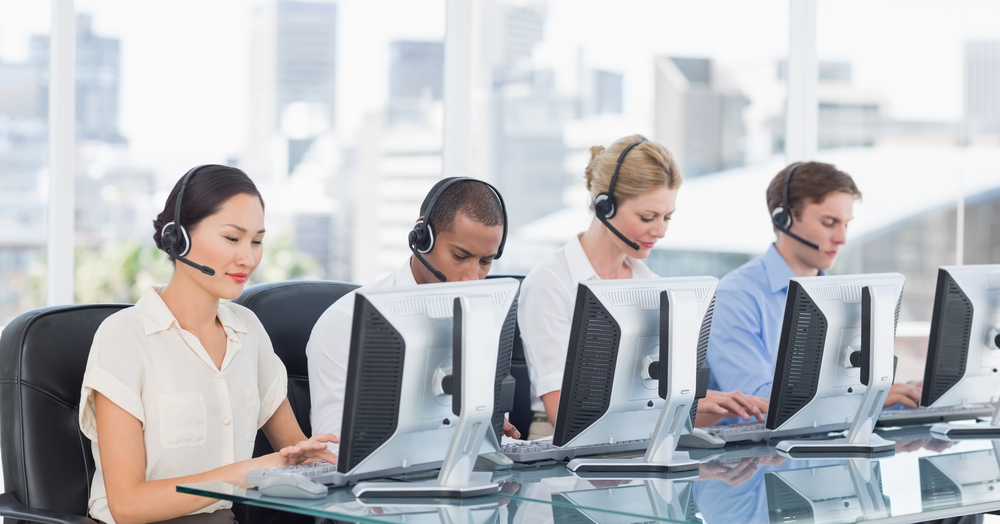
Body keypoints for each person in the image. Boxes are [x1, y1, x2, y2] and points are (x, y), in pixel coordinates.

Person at [79, 165, 337, 524]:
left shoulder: (248, 330)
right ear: (178, 239)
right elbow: (127, 504)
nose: (248, 258)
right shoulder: (123, 338)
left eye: (257, 241)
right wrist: (245, 473)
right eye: (233, 238)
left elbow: (294, 453)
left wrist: (334, 461)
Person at [518, 134, 768, 441]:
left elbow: (660, 404)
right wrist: (685, 406)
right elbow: (565, 413)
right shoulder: (552, 281)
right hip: (558, 446)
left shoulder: (650, 284)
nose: (660, 231)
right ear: (603, 204)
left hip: (638, 444)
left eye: (667, 217)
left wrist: (717, 407)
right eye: (647, 217)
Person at [706, 161, 921, 424]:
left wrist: (907, 396)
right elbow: (754, 404)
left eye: (845, 224)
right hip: (758, 460)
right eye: (830, 223)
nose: (842, 238)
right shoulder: (735, 297)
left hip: (830, 451)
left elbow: (852, 389)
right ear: (784, 218)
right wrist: (863, 400)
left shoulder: (843, 299)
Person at [307, 177, 520, 439]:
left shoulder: (485, 319)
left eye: (485, 262)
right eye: (460, 257)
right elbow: (333, 451)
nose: (472, 278)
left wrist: (486, 429)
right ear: (423, 238)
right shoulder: (345, 323)